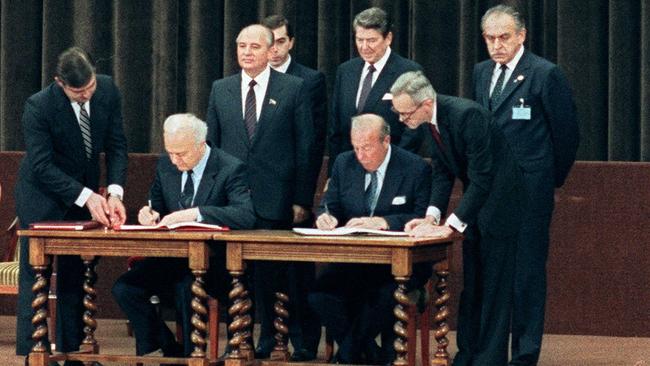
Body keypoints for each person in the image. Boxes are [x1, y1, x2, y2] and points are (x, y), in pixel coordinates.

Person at [390, 71, 525, 366]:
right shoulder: (428, 121)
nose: (402, 120)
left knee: (494, 287)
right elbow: (442, 171)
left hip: (501, 206)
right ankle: (468, 354)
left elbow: (483, 177)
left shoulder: (467, 116)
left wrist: (451, 226)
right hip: (476, 206)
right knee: (474, 285)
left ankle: (489, 360)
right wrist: (431, 216)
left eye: (405, 113)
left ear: (426, 103)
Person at [472, 5, 579, 365]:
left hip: (530, 190)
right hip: (492, 192)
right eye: (490, 38)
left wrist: (546, 179)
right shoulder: (481, 72)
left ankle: (525, 353)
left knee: (527, 273)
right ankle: (490, 352)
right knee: (493, 273)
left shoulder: (545, 74)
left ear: (521, 36)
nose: (497, 45)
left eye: (504, 37)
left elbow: (566, 136)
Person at [205, 24, 320, 359]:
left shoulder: (293, 88)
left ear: (271, 51)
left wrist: (301, 198)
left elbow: (306, 148)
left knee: (272, 276)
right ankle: (238, 339)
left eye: (254, 46)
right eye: (241, 46)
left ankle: (272, 337)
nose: (246, 52)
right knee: (234, 275)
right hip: (234, 200)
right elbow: (212, 147)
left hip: (277, 199)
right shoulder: (221, 89)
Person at [14, 46, 128, 366]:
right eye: (78, 92)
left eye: (89, 87)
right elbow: (41, 166)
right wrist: (87, 196)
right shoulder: (38, 106)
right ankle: (33, 353)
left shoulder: (107, 90)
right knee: (35, 274)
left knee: (75, 273)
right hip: (43, 197)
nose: (86, 95)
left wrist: (115, 193)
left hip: (85, 193)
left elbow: (118, 146)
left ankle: (73, 351)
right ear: (59, 82)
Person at [111, 113, 256, 358]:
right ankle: (169, 347)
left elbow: (245, 215)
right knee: (125, 288)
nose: (175, 159)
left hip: (215, 263)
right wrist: (149, 213)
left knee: (187, 287)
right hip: (173, 258)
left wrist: (195, 214)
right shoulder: (167, 164)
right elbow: (155, 203)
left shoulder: (229, 168)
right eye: (170, 152)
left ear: (201, 145)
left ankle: (193, 358)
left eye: (182, 154)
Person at [308, 114, 432, 364]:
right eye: (355, 147)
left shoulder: (414, 167)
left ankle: (349, 355)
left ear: (386, 141)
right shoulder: (344, 164)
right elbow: (328, 206)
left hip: (400, 266)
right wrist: (325, 217)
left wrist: (384, 222)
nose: (360, 155)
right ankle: (367, 354)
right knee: (318, 295)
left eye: (366, 147)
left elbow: (421, 216)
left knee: (384, 296)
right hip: (355, 260)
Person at [259, 14, 325, 361]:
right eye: (268, 42)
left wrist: (303, 197)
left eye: (280, 42)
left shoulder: (309, 80)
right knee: (263, 272)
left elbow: (310, 147)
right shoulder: (252, 78)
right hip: (257, 197)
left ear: (291, 43)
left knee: (299, 271)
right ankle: (268, 335)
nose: (273, 49)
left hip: (292, 193)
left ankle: (304, 339)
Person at [328, 7, 423, 174]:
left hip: (391, 170)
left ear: (388, 38)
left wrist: (391, 169)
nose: (364, 47)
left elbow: (413, 131)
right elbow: (336, 128)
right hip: (349, 171)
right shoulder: (346, 71)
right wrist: (333, 174)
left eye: (371, 40)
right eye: (359, 40)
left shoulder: (409, 72)